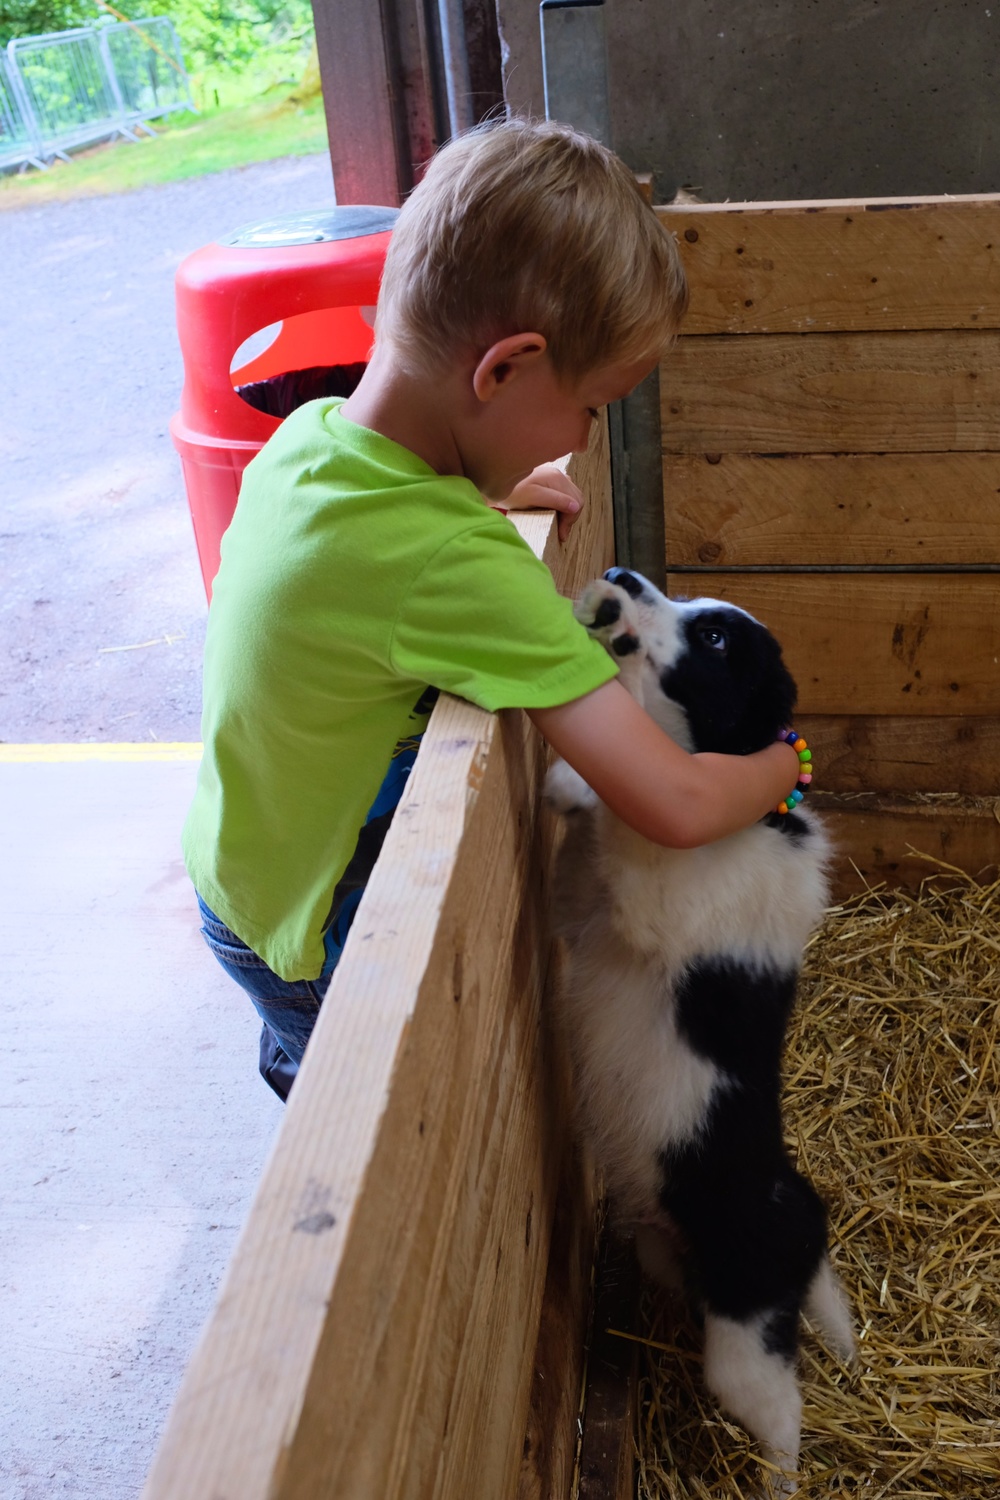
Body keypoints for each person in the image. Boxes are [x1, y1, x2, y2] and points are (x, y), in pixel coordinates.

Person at [183, 117, 801, 1100]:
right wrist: (787, 767)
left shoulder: (310, 442)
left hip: (236, 870)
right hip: (314, 924)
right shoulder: (456, 566)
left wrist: (489, 488)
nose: (585, 435)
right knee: (360, 1110)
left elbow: (379, 544)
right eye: (593, 406)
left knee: (291, 1043)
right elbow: (675, 804)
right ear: (503, 368)